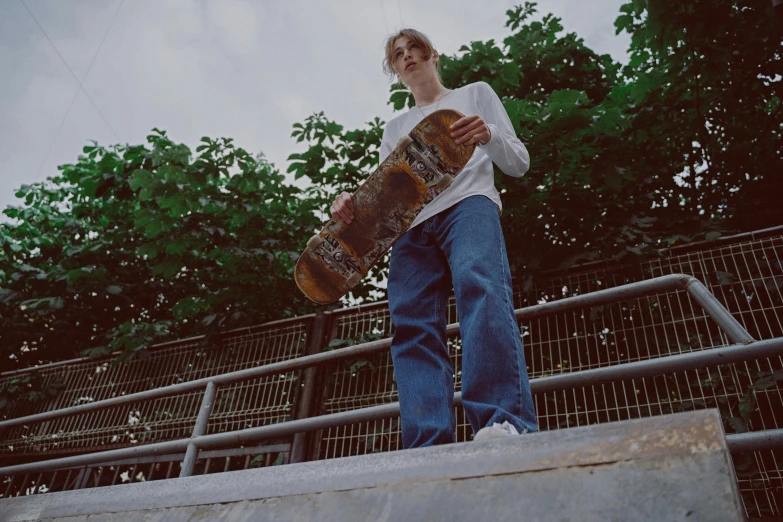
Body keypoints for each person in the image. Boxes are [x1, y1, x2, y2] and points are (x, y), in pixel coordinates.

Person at [330, 28, 537, 448]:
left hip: (469, 205)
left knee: (480, 286)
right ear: (394, 69)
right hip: (412, 225)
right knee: (411, 323)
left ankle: (501, 421)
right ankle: (426, 440)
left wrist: (489, 136)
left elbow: (518, 162)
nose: (407, 57)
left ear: (432, 55)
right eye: (398, 54)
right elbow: (386, 193)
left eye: (414, 49)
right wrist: (350, 203)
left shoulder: (475, 94)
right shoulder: (397, 126)